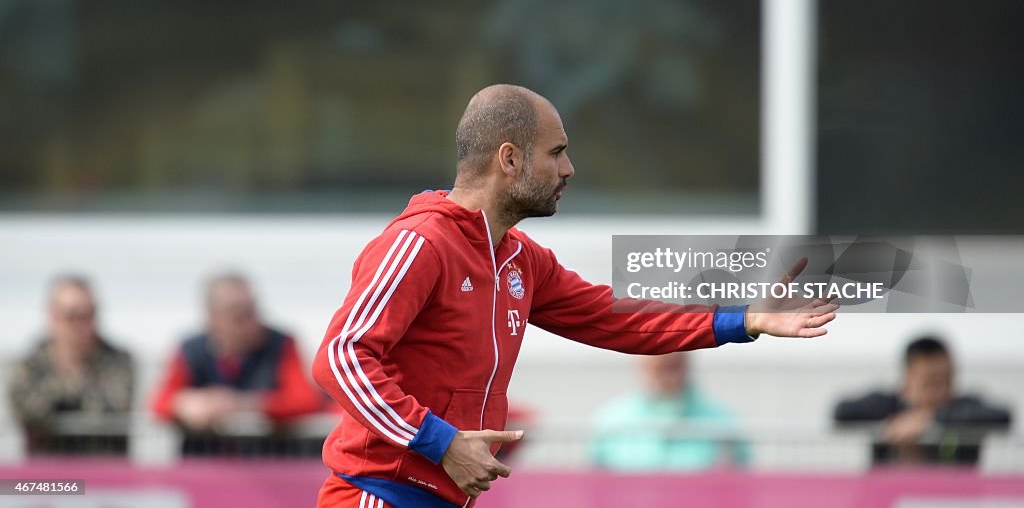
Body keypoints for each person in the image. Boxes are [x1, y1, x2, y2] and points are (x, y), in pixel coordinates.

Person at [312, 84, 837, 508]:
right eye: (557, 153)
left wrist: (741, 318)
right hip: (376, 494)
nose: (568, 170)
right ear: (509, 159)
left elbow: (618, 316)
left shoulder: (520, 258)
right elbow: (340, 356)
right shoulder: (421, 243)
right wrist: (441, 442)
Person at [150, 272, 323, 455]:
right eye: (237, 314)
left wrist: (242, 404)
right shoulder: (190, 349)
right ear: (213, 316)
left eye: (252, 310)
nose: (250, 322)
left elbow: (306, 400)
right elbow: (159, 403)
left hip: (268, 465)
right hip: (204, 467)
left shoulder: (282, 344)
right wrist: (184, 404)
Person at [834, 335, 1011, 465]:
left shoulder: (965, 406)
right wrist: (892, 424)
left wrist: (931, 419)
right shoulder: (884, 404)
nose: (941, 391)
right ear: (908, 377)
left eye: (947, 380)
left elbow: (1003, 416)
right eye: (931, 382)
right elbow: (841, 412)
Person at [6, 275, 134, 455]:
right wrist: (79, 391)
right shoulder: (29, 365)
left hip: (104, 473)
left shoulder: (118, 360)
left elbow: (113, 408)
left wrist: (58, 401)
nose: (80, 325)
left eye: (88, 315)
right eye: (71, 316)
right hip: (46, 476)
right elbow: (30, 413)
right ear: (52, 315)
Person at [590, 352, 748, 471]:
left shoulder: (722, 422)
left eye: (671, 367)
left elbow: (740, 483)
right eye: (655, 367)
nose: (664, 376)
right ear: (640, 366)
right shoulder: (611, 420)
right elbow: (595, 484)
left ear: (686, 365)